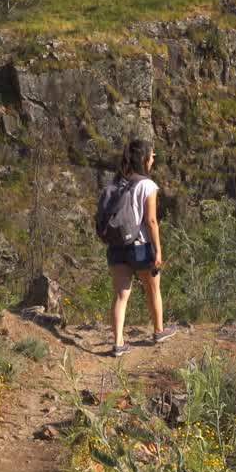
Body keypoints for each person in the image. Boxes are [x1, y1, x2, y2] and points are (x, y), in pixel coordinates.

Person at [104, 139, 172, 357]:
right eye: (152, 156)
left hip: (116, 246)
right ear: (144, 159)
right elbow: (151, 221)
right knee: (152, 289)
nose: (153, 160)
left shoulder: (116, 183)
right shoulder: (147, 185)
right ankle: (159, 331)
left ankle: (118, 344)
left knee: (120, 296)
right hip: (140, 246)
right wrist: (158, 250)